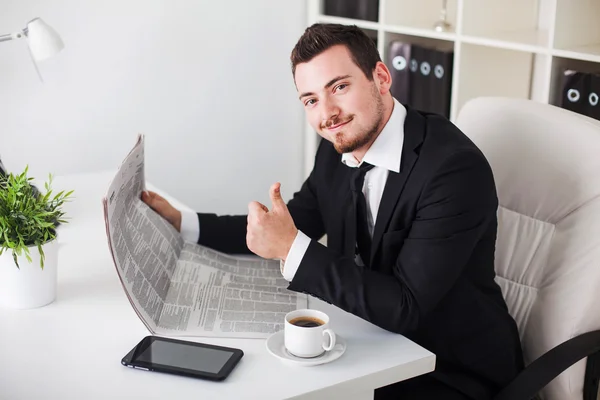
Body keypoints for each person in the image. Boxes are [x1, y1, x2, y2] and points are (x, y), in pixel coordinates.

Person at [142, 23, 524, 400]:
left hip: (450, 369)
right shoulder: (338, 144)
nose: (328, 113)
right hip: (370, 342)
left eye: (339, 87)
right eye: (310, 100)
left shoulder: (452, 170)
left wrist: (291, 249)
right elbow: (293, 223)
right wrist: (184, 223)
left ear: (381, 77)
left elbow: (406, 307)